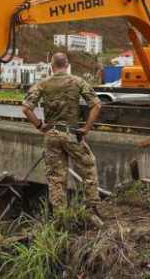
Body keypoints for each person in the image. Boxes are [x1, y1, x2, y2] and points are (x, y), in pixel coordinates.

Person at [22, 52, 103, 219]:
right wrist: (86, 128)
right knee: (88, 167)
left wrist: (39, 125)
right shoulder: (78, 81)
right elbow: (96, 105)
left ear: (52, 66)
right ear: (67, 65)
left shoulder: (43, 84)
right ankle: (92, 208)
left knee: (56, 177)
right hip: (71, 134)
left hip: (51, 134)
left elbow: (26, 108)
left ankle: (60, 217)